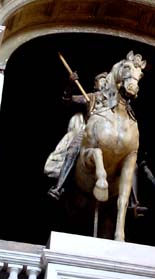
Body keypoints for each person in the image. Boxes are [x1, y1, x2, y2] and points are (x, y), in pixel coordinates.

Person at [45, 71, 108, 199]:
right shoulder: (90, 97)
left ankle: (133, 201)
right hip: (89, 131)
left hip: (109, 133)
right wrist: (70, 85)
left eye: (105, 81)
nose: (103, 84)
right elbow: (67, 100)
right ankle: (59, 186)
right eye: (100, 81)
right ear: (95, 86)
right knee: (72, 150)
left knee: (130, 159)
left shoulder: (115, 100)